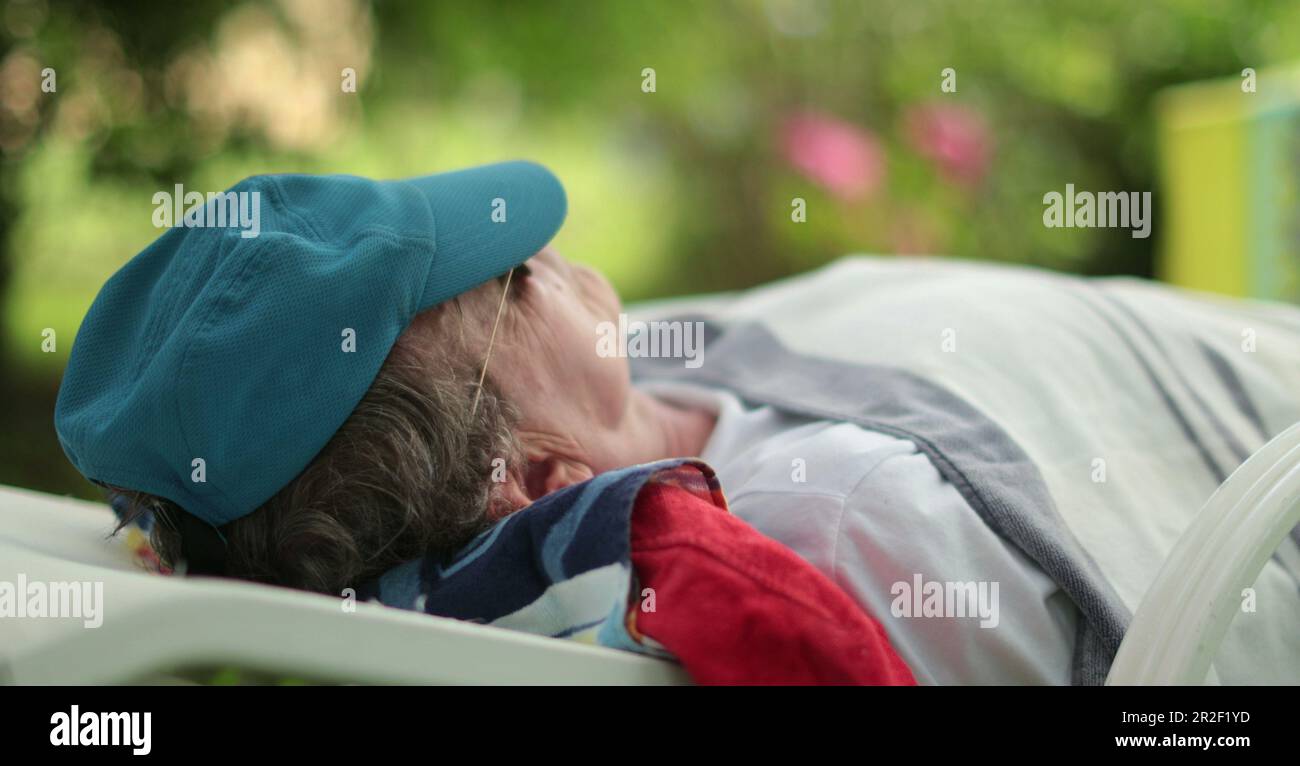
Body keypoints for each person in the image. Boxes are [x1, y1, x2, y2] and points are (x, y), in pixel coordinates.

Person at [56, 162, 1300, 685]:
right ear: (534, 477)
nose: (542, 249)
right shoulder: (857, 519)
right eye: (506, 282)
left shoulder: (606, 396)